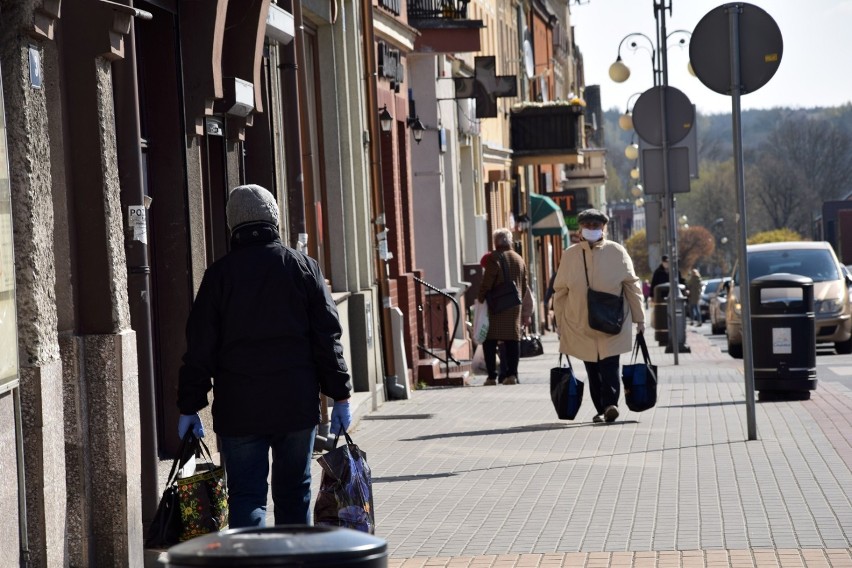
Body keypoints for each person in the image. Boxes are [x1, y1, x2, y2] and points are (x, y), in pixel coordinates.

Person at [176, 184, 352, 528]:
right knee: (294, 493)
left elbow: (199, 347)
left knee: (246, 495)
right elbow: (327, 338)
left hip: (240, 406)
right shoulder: (303, 267)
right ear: (274, 219)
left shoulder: (219, 276)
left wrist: (190, 404)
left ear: (231, 225)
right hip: (296, 403)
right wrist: (340, 394)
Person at [552, 208, 645, 423]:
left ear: (603, 228)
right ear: (580, 228)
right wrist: (560, 322)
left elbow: (632, 285)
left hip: (612, 322)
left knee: (610, 366)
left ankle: (610, 404)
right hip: (580, 323)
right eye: (588, 226)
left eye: (596, 226)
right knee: (592, 369)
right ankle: (602, 407)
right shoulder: (570, 255)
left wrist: (640, 318)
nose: (592, 229)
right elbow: (560, 292)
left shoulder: (617, 251)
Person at [476, 228, 528, 386]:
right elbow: (524, 285)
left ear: (495, 242)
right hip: (514, 305)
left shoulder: (494, 258)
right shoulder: (519, 259)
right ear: (510, 241)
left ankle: (492, 376)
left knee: (489, 340)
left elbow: (487, 281)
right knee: (513, 340)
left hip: (496, 305)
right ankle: (512, 375)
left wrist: (481, 297)